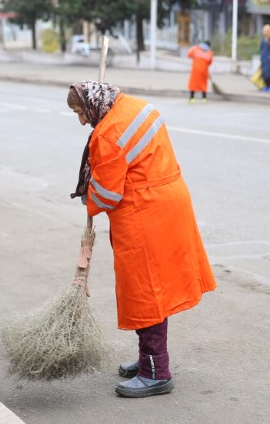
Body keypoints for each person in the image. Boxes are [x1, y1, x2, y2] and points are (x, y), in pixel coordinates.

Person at [67, 81, 216, 398]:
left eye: (80, 112)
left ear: (92, 105)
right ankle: (148, 358)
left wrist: (88, 196)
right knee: (156, 288)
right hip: (170, 200)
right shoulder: (137, 106)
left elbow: (107, 194)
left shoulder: (107, 134)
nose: (81, 121)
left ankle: (155, 372)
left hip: (143, 214)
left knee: (146, 291)